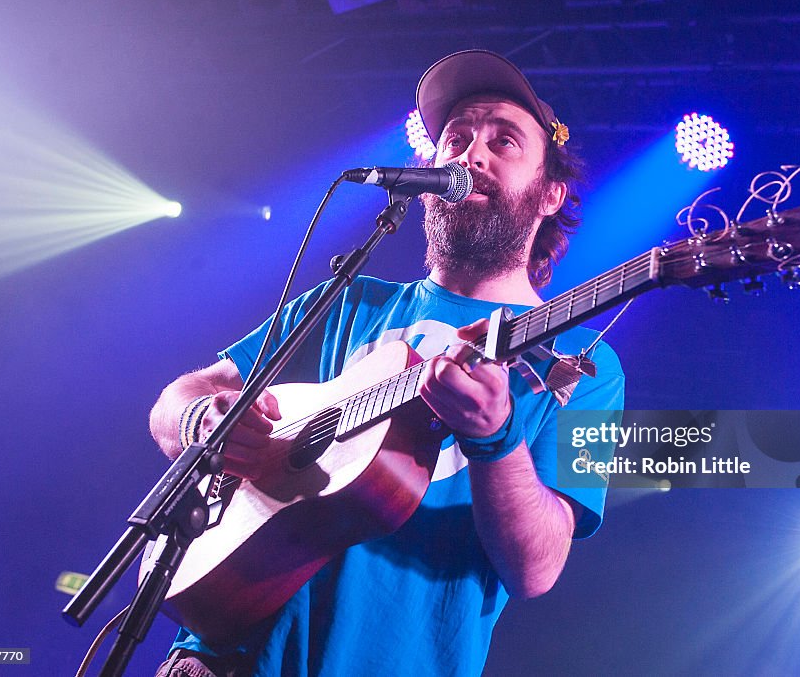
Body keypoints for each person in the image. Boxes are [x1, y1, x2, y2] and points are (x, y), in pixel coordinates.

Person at [149, 49, 625, 677]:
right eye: (456, 138)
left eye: (504, 142)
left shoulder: (589, 364)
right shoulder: (348, 298)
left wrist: (496, 438)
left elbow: (538, 568)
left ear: (548, 195)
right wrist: (201, 421)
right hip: (219, 658)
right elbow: (179, 397)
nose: (470, 155)